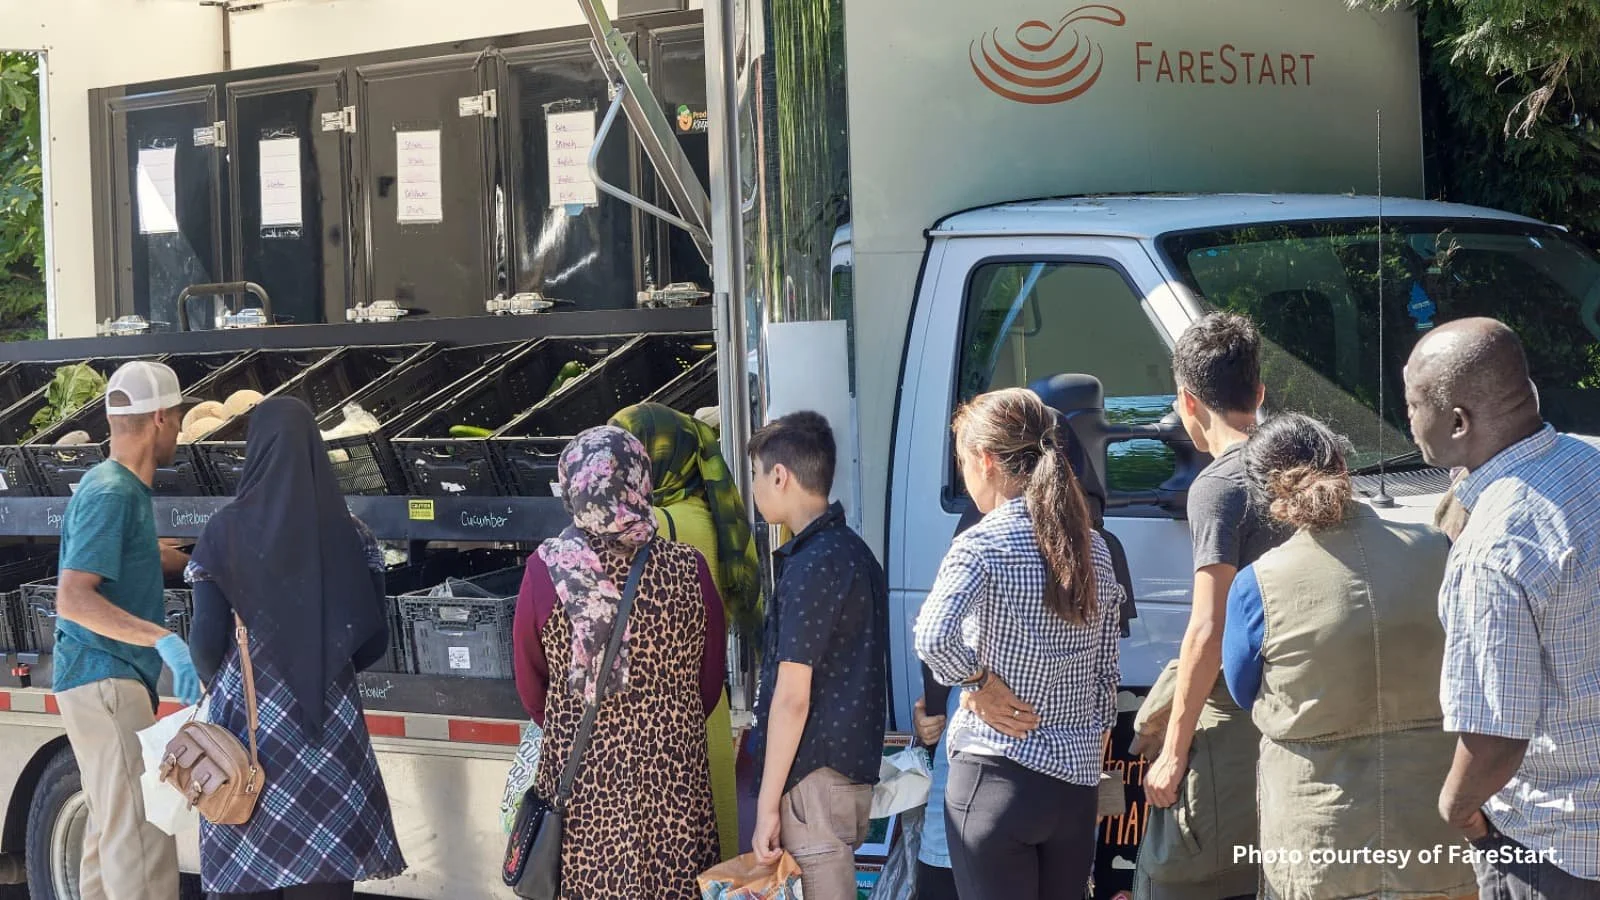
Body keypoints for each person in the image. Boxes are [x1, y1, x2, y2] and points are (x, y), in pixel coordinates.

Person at [1221, 413, 1476, 900]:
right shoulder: (1439, 550)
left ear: (1266, 496)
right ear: (1342, 462)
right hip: (1435, 822)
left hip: (1318, 833)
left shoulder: (1258, 583)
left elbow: (1242, 689)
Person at [1403, 318, 1600, 899]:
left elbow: (1496, 736)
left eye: (1414, 405)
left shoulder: (1494, 548)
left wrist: (1456, 808)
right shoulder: (1590, 463)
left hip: (1559, 847)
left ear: (1457, 421)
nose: (1410, 421)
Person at [185, 398, 405, 900]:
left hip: (252, 734)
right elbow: (374, 639)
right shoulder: (354, 534)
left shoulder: (224, 534)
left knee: (248, 867)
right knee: (326, 882)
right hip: (332, 733)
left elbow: (203, 644)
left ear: (255, 452)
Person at [914, 388, 1123, 900]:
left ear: (986, 461)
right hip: (1073, 789)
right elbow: (1106, 675)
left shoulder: (982, 543)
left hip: (996, 775)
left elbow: (932, 635)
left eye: (964, 461)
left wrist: (979, 683)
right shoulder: (1093, 546)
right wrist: (1081, 745)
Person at [513, 425, 723, 899]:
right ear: (640, 481)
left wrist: (590, 724)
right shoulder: (690, 568)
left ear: (573, 486)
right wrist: (664, 722)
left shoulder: (545, 571)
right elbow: (710, 682)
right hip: (675, 780)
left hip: (584, 786)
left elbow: (531, 684)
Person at [1136, 313, 1289, 900]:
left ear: (1186, 401)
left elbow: (1208, 626)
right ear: (1258, 393)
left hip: (1237, 712)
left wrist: (1173, 752)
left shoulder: (1218, 486)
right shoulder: (1304, 465)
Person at [54, 360, 201, 900]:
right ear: (161, 417)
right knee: (141, 840)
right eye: (180, 417)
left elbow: (130, 559)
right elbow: (73, 598)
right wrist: (162, 639)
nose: (183, 429)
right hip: (106, 680)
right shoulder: (112, 493)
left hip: (101, 681)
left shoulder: (115, 487)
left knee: (109, 839)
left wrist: (201, 559)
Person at [608, 401, 759, 861]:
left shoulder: (664, 527)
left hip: (666, 713)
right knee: (711, 833)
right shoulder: (702, 511)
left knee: (677, 847)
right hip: (700, 699)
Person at [746, 411, 887, 900]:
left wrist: (766, 805)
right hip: (847, 779)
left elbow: (792, 698)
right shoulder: (855, 553)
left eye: (757, 475)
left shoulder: (811, 563)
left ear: (780, 476)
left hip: (810, 783)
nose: (756, 488)